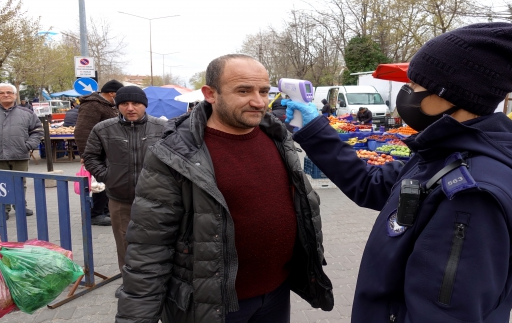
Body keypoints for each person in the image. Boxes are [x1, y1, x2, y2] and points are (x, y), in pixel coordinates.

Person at [285, 23, 512, 322]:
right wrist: (314, 130)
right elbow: (370, 185)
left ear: (451, 95)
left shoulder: (472, 191)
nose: (407, 92)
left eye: (416, 84)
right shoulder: (443, 155)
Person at [116, 54, 333, 323]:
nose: (258, 101)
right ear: (210, 94)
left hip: (277, 294)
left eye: (264, 91)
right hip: (213, 306)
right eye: (243, 91)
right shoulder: (174, 154)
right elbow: (148, 249)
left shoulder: (279, 138)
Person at [83, 86, 165, 285]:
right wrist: (108, 177)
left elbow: (177, 157)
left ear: (144, 105)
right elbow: (91, 157)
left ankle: (157, 282)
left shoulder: (162, 128)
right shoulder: (103, 129)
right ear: (117, 105)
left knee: (157, 242)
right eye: (124, 104)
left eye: (136, 103)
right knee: (125, 243)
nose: (130, 108)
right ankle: (130, 283)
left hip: (157, 198)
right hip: (120, 199)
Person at [74, 79, 123, 226]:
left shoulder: (108, 105)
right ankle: (96, 214)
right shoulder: (93, 105)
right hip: (97, 152)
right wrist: (85, 154)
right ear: (112, 93)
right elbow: (82, 131)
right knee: (99, 183)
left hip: (110, 151)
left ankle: (106, 210)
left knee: (107, 182)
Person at [0, 83, 42, 219]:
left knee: (19, 183)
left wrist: (28, 145)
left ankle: (20, 205)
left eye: (9, 92)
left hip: (20, 154)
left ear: (15, 95)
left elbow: (37, 131)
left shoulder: (27, 113)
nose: (6, 95)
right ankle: (3, 209)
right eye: (1, 93)